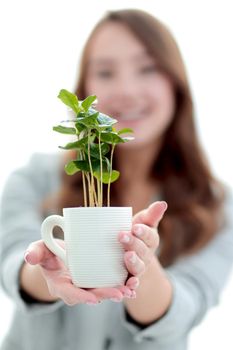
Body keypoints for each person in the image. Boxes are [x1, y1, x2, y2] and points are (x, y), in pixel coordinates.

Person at [0, 8, 233, 350]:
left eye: (147, 68)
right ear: (85, 92)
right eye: (106, 72)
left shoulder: (217, 205)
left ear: (176, 84)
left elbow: (188, 304)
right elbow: (11, 261)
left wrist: (143, 263)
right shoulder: (34, 178)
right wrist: (45, 270)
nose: (126, 89)